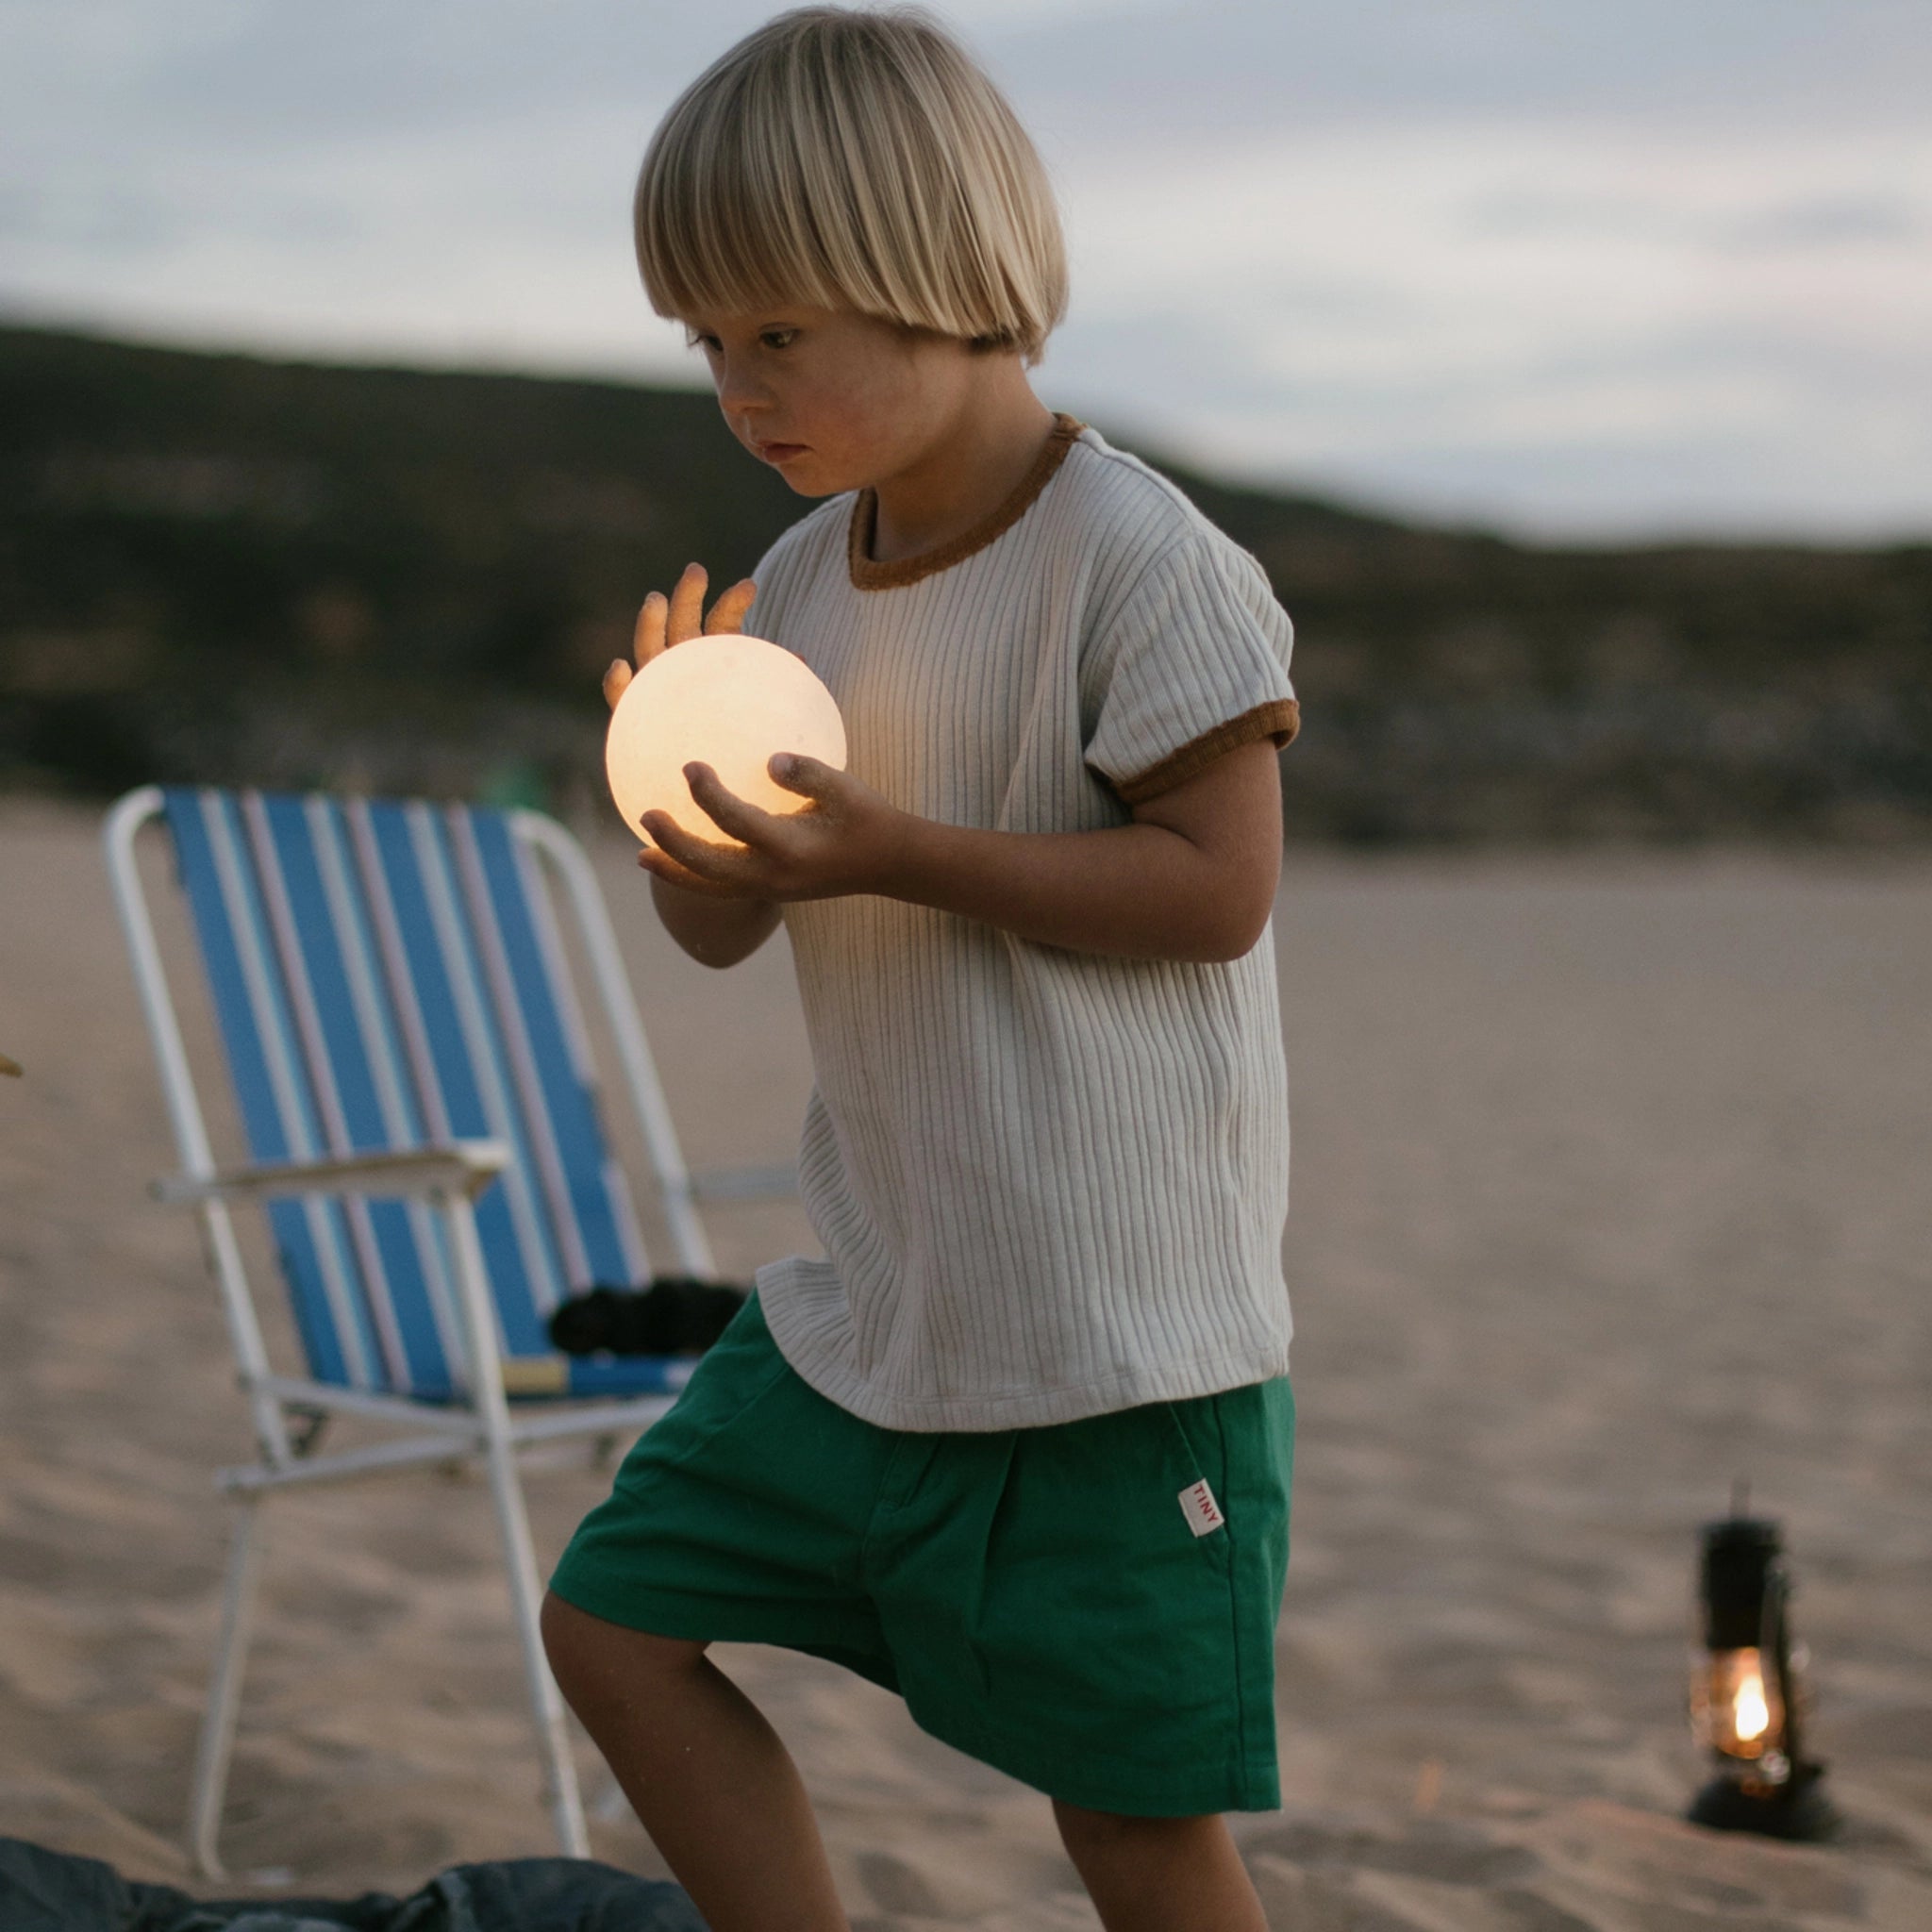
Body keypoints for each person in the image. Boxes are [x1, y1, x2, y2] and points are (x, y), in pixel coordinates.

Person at [541, 9, 1301, 1929]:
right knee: (616, 1625)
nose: (735, 383)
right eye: (702, 340)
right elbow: (722, 928)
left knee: (1128, 1816)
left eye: (775, 330)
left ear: (934, 270)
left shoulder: (1138, 558)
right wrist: (685, 830)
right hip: (870, 1310)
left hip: (1117, 1342)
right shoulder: (793, 586)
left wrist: (895, 849)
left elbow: (1216, 890)